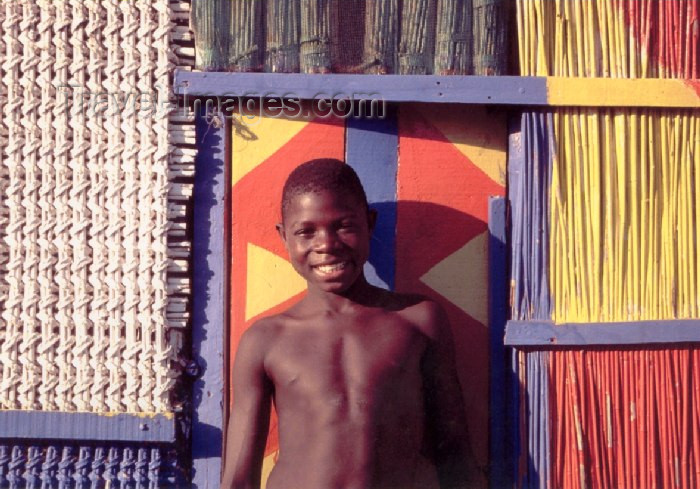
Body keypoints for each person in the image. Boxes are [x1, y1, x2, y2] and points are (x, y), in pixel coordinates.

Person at [222, 158, 482, 489]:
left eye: (344, 226)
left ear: (369, 224)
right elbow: (238, 478)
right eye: (306, 231)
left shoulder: (418, 319)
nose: (326, 245)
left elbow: (456, 453)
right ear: (283, 236)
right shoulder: (265, 340)